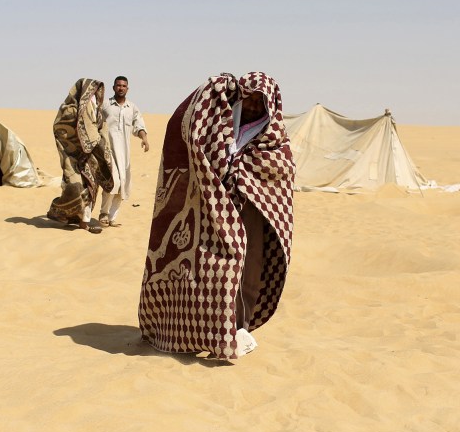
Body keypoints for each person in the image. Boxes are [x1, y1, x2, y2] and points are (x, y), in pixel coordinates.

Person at [138, 72, 295, 360]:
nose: (251, 106)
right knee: (212, 272)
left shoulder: (276, 142)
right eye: (247, 98)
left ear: (270, 104)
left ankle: (238, 327)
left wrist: (245, 179)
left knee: (246, 269)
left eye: (259, 101)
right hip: (213, 213)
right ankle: (204, 329)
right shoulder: (220, 130)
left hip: (252, 214)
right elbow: (188, 132)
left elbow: (280, 176)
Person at [47, 78, 114, 234]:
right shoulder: (68, 110)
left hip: (92, 157)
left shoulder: (97, 109)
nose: (94, 95)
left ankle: (84, 222)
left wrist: (97, 142)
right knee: (75, 187)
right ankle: (63, 213)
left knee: (90, 188)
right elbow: (59, 128)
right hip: (73, 158)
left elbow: (100, 128)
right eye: (91, 92)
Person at [98, 76, 149, 228]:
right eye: (118, 85)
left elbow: (138, 125)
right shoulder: (105, 105)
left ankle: (112, 217)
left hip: (124, 153)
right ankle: (103, 213)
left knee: (123, 185)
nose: (121, 88)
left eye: (124, 86)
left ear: (127, 89)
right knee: (114, 182)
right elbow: (94, 122)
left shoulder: (131, 107)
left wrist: (144, 139)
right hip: (108, 150)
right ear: (113, 87)